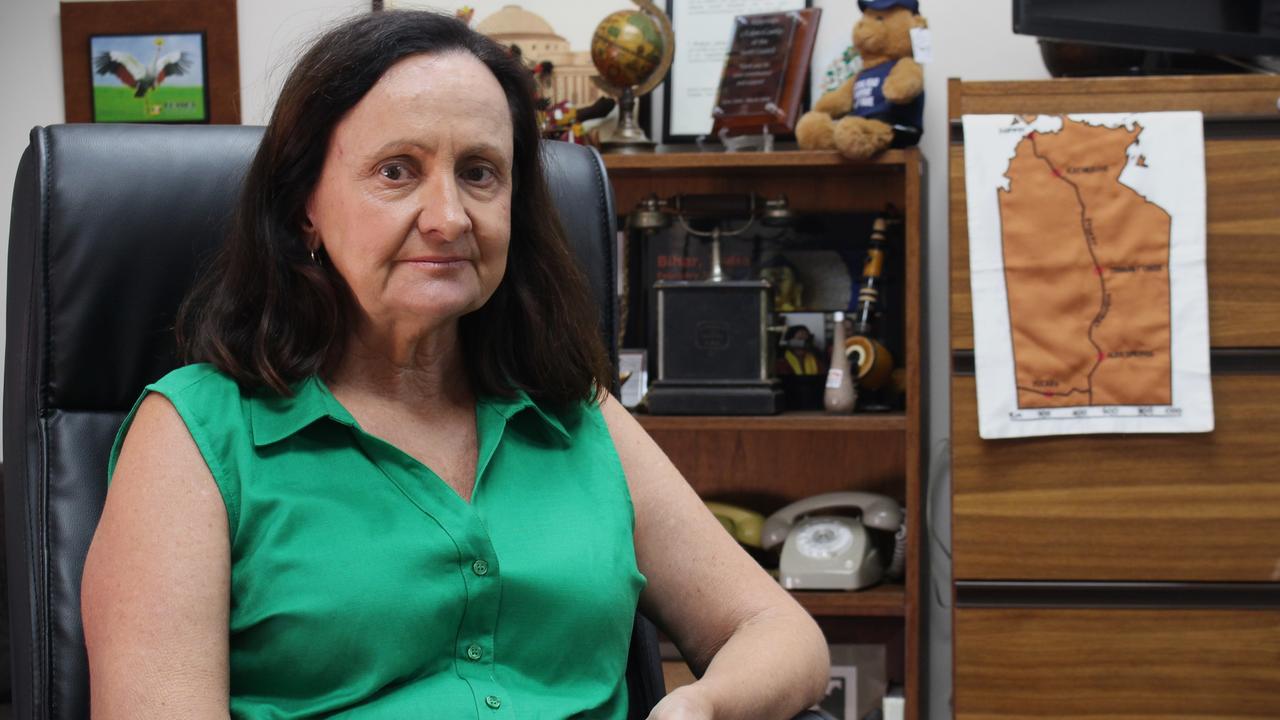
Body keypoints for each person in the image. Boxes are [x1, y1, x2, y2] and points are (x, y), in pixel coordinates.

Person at [80, 11, 829, 719]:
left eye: (479, 173)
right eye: (397, 171)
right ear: (304, 204)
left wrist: (700, 704)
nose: (449, 218)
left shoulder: (573, 411)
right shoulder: (195, 435)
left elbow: (781, 634)